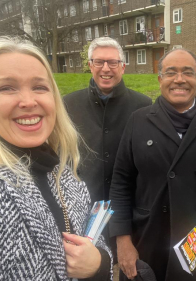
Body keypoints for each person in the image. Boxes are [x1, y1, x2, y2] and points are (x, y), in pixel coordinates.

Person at [109, 48, 196, 281]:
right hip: (149, 238)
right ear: (160, 79)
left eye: (187, 72)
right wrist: (122, 240)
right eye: (171, 72)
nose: (179, 79)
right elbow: (121, 182)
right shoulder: (138, 120)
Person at [0, 36, 112, 280]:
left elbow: (94, 237)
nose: (29, 102)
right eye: (7, 88)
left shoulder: (61, 169)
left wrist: (99, 263)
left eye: (40, 87)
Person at [64, 37, 151, 204]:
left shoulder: (143, 105)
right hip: (83, 201)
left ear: (122, 67)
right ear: (90, 66)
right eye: (99, 62)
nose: (105, 68)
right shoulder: (69, 104)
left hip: (128, 201)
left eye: (112, 62)